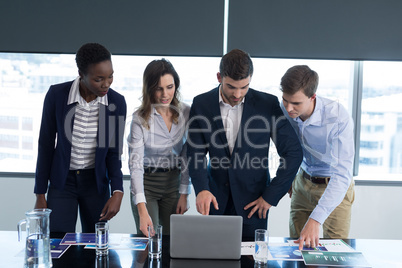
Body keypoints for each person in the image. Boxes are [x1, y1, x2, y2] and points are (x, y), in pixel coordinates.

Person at [187, 49, 303, 238]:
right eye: (231, 87)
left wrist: (270, 196)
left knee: (252, 261)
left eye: (244, 87)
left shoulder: (268, 104)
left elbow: (293, 153)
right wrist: (202, 189)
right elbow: (195, 154)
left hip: (254, 203)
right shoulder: (201, 104)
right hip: (215, 200)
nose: (238, 94)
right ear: (219, 77)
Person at [34, 43, 127, 233]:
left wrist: (117, 191)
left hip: (95, 183)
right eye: (98, 79)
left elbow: (113, 151)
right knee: (58, 243)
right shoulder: (57, 96)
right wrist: (40, 193)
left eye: (110, 76)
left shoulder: (116, 102)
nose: (106, 84)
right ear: (81, 74)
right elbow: (45, 145)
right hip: (62, 182)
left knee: (95, 243)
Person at [280, 65, 355, 250]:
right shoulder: (286, 109)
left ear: (312, 97)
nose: (289, 108)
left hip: (334, 186)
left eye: (296, 103)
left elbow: (342, 174)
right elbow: (288, 147)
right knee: (296, 250)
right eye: (285, 100)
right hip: (302, 183)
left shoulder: (337, 116)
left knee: (336, 252)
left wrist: (316, 219)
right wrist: (289, 177)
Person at [128, 59, 191, 236]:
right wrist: (141, 209)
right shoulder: (140, 118)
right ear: (149, 89)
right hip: (147, 184)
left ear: (176, 86)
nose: (165, 94)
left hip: (173, 183)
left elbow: (188, 155)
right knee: (149, 239)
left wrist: (184, 193)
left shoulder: (186, 112)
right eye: (158, 88)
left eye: (170, 87)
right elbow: (136, 165)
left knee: (173, 242)